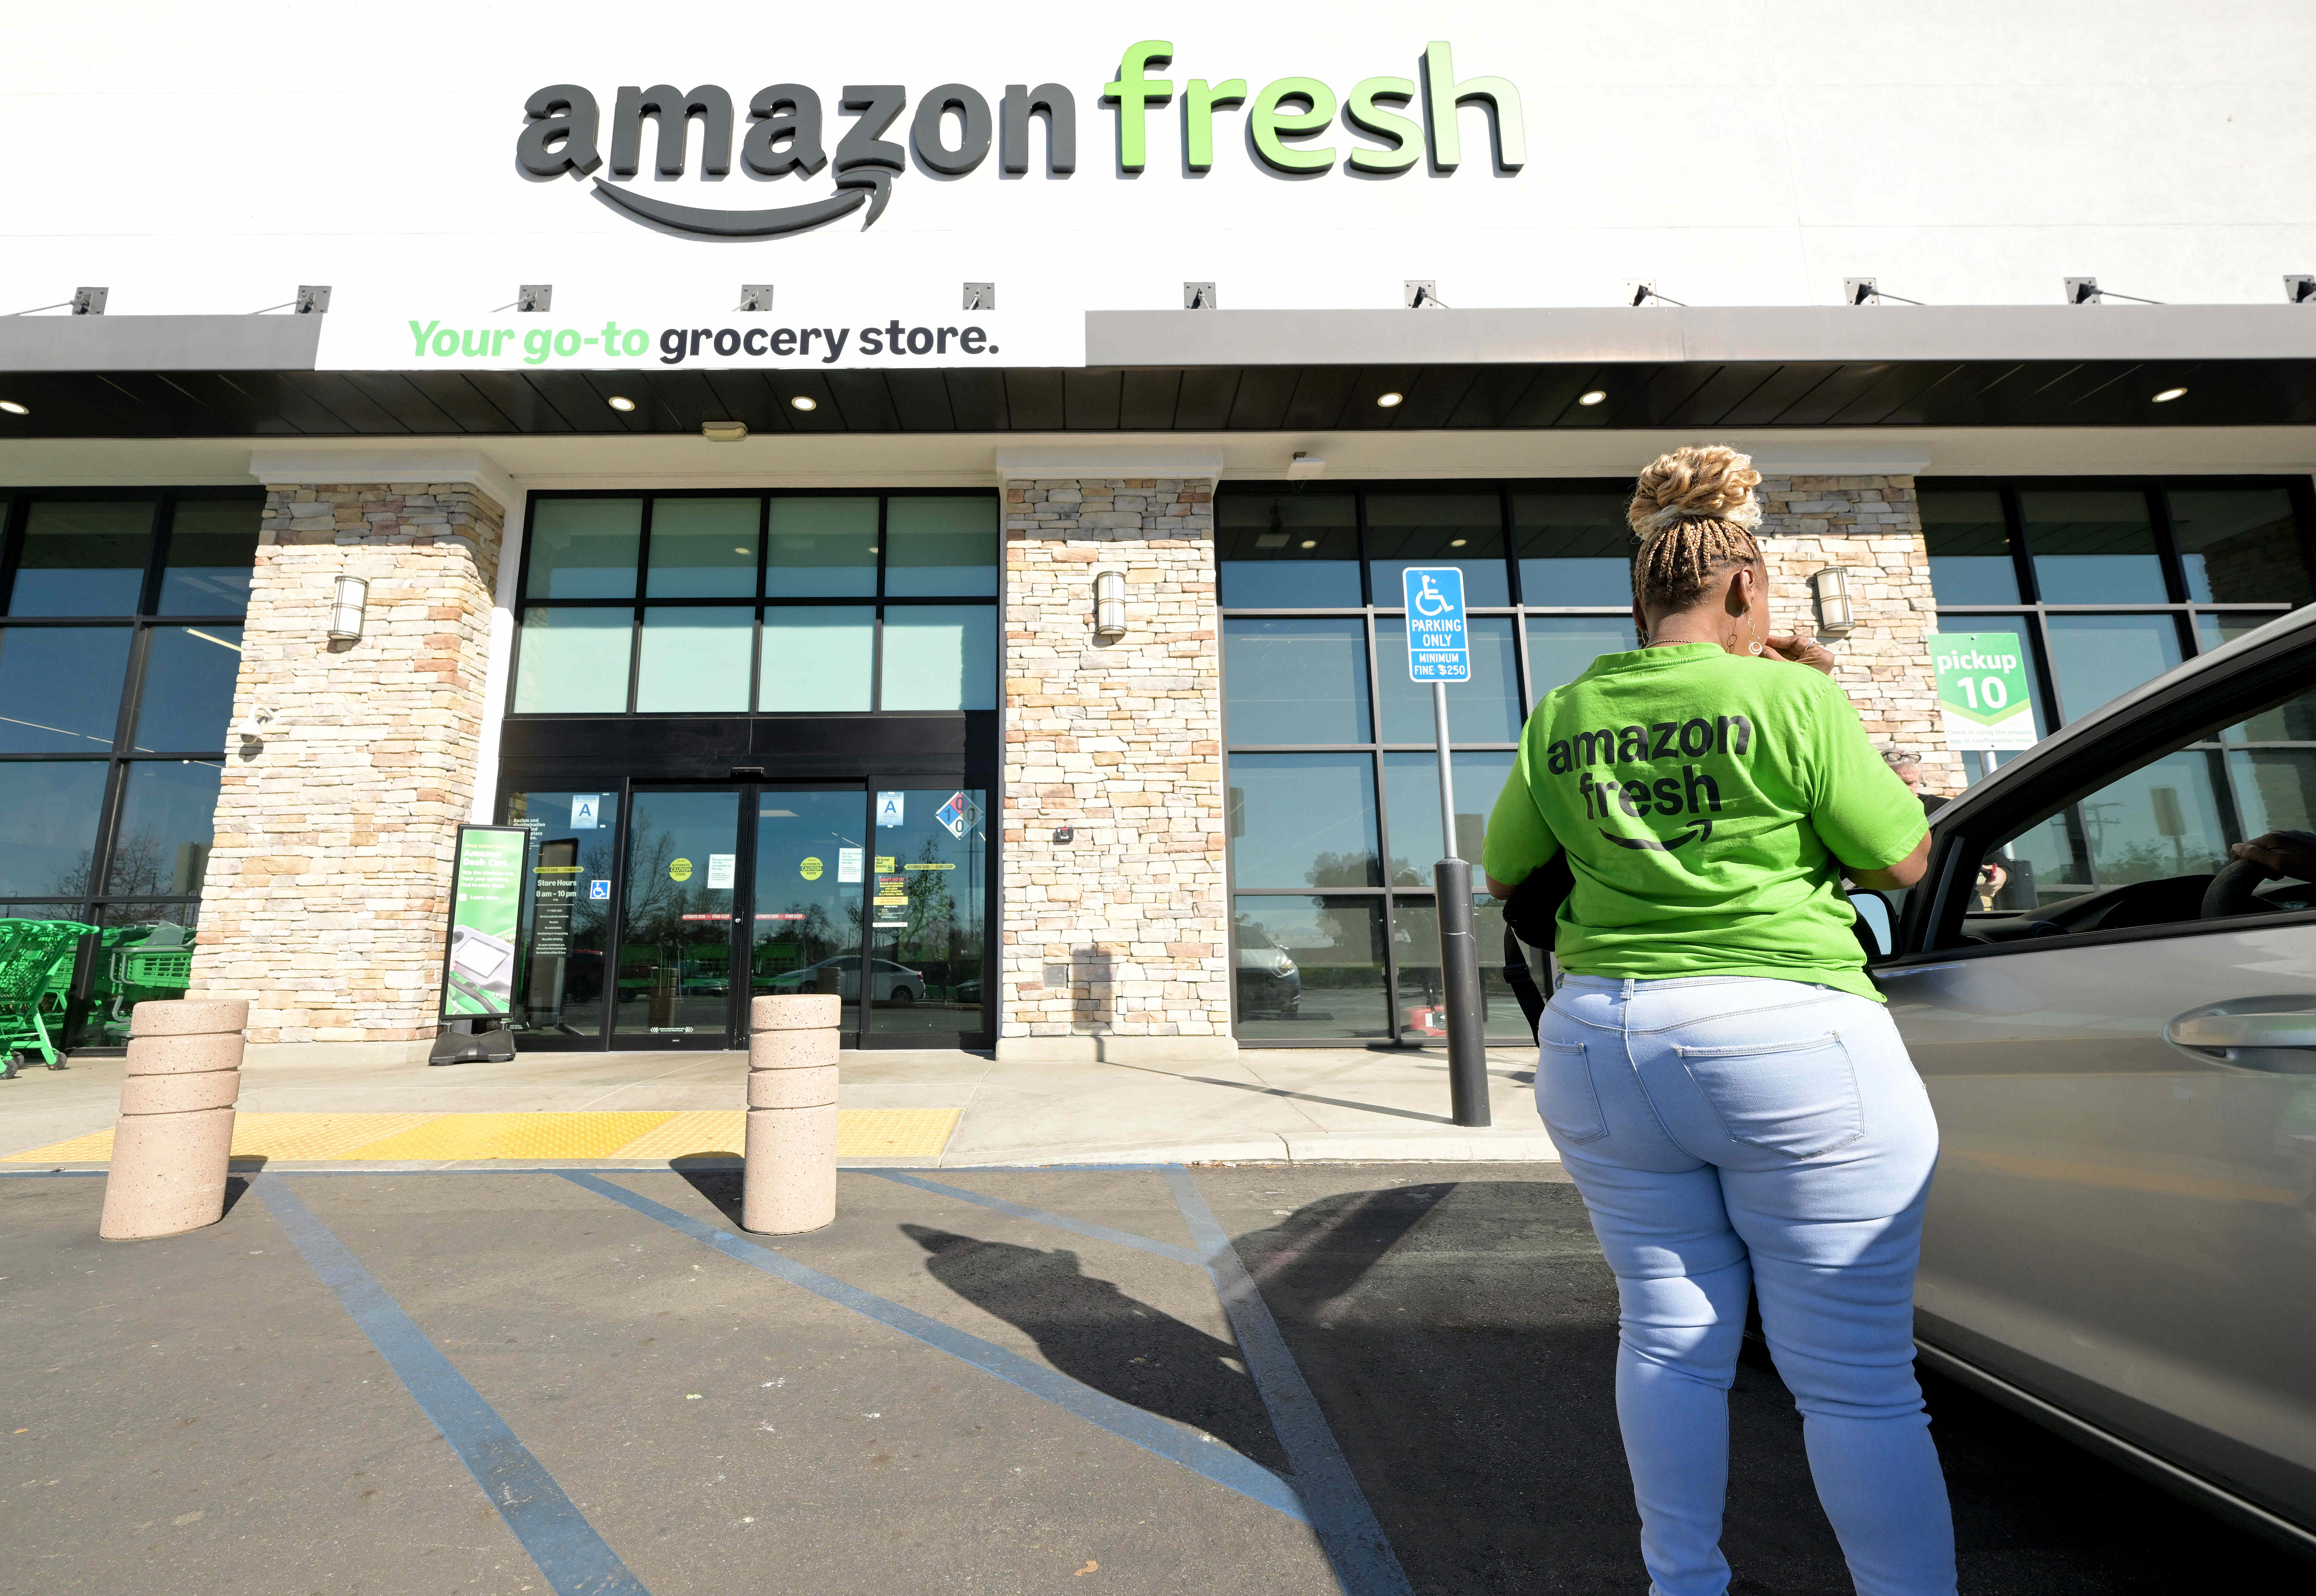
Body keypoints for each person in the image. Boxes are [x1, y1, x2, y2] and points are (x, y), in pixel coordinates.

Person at [1482, 445, 1952, 1596]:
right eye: (1767, 597)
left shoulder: (1566, 709)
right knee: (1854, 1380)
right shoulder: (1792, 694)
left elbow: (1504, 872)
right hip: (1786, 1034)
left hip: (1601, 1043)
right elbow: (1901, 856)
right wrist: (1813, 690)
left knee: (1665, 1339)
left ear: (1641, 598)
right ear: (1742, 589)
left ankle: (1684, 1583)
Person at [1882, 749, 1948, 817]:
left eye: (1909, 783)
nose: (1904, 788)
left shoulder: (1944, 809)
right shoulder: (1874, 809)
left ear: (1920, 780)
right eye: (1897, 782)